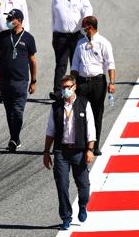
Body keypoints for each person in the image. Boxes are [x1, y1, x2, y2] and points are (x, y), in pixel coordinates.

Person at [43, 74, 96, 230]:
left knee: (84, 185)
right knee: (62, 184)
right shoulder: (56, 107)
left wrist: (90, 149)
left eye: (68, 87)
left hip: (79, 151)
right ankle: (66, 216)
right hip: (61, 151)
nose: (65, 90)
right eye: (63, 87)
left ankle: (83, 204)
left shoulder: (84, 104)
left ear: (75, 87)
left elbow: (91, 129)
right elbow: (50, 131)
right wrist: (46, 152)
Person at [0, 8, 37, 152]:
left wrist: (34, 80)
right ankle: (15, 138)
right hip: (4, 81)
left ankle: (14, 138)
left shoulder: (28, 38)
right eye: (8, 19)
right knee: (9, 111)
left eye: (11, 19)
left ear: (19, 20)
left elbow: (33, 61)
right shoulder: (3, 36)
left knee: (17, 111)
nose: (8, 22)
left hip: (21, 81)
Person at [70, 16, 115, 156]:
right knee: (81, 113)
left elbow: (110, 64)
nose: (82, 29)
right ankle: (83, 143)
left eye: (84, 26)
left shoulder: (104, 43)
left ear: (90, 27)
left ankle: (95, 145)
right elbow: (75, 65)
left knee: (97, 113)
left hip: (98, 82)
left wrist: (112, 83)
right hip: (83, 82)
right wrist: (73, 82)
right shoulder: (80, 44)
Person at [50, 0, 93, 100]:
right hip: (60, 36)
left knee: (77, 65)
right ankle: (58, 92)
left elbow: (88, 9)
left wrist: (86, 21)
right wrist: (53, 34)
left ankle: (78, 90)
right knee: (60, 65)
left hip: (76, 36)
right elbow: (53, 17)